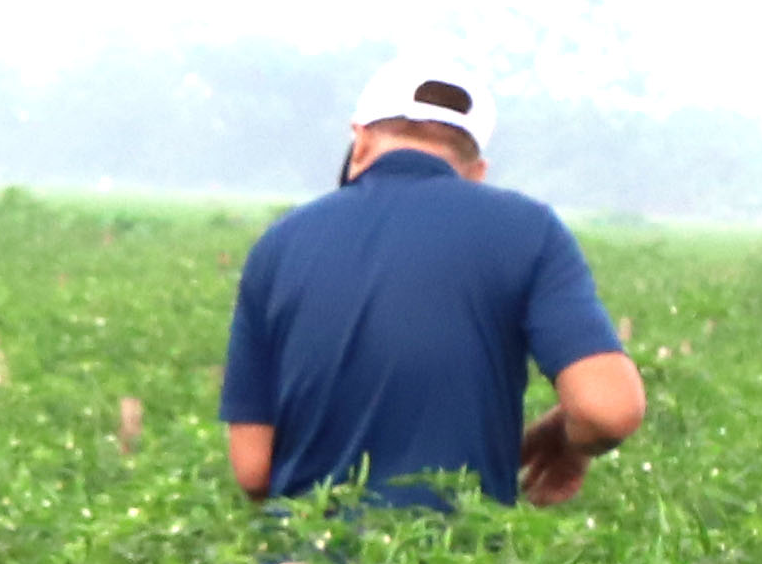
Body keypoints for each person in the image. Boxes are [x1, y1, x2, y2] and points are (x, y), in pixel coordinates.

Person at [218, 60, 646, 512]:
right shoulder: (527, 230)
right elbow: (608, 410)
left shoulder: (280, 243)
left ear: (359, 139)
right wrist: (562, 440)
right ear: (478, 170)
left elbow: (253, 469)